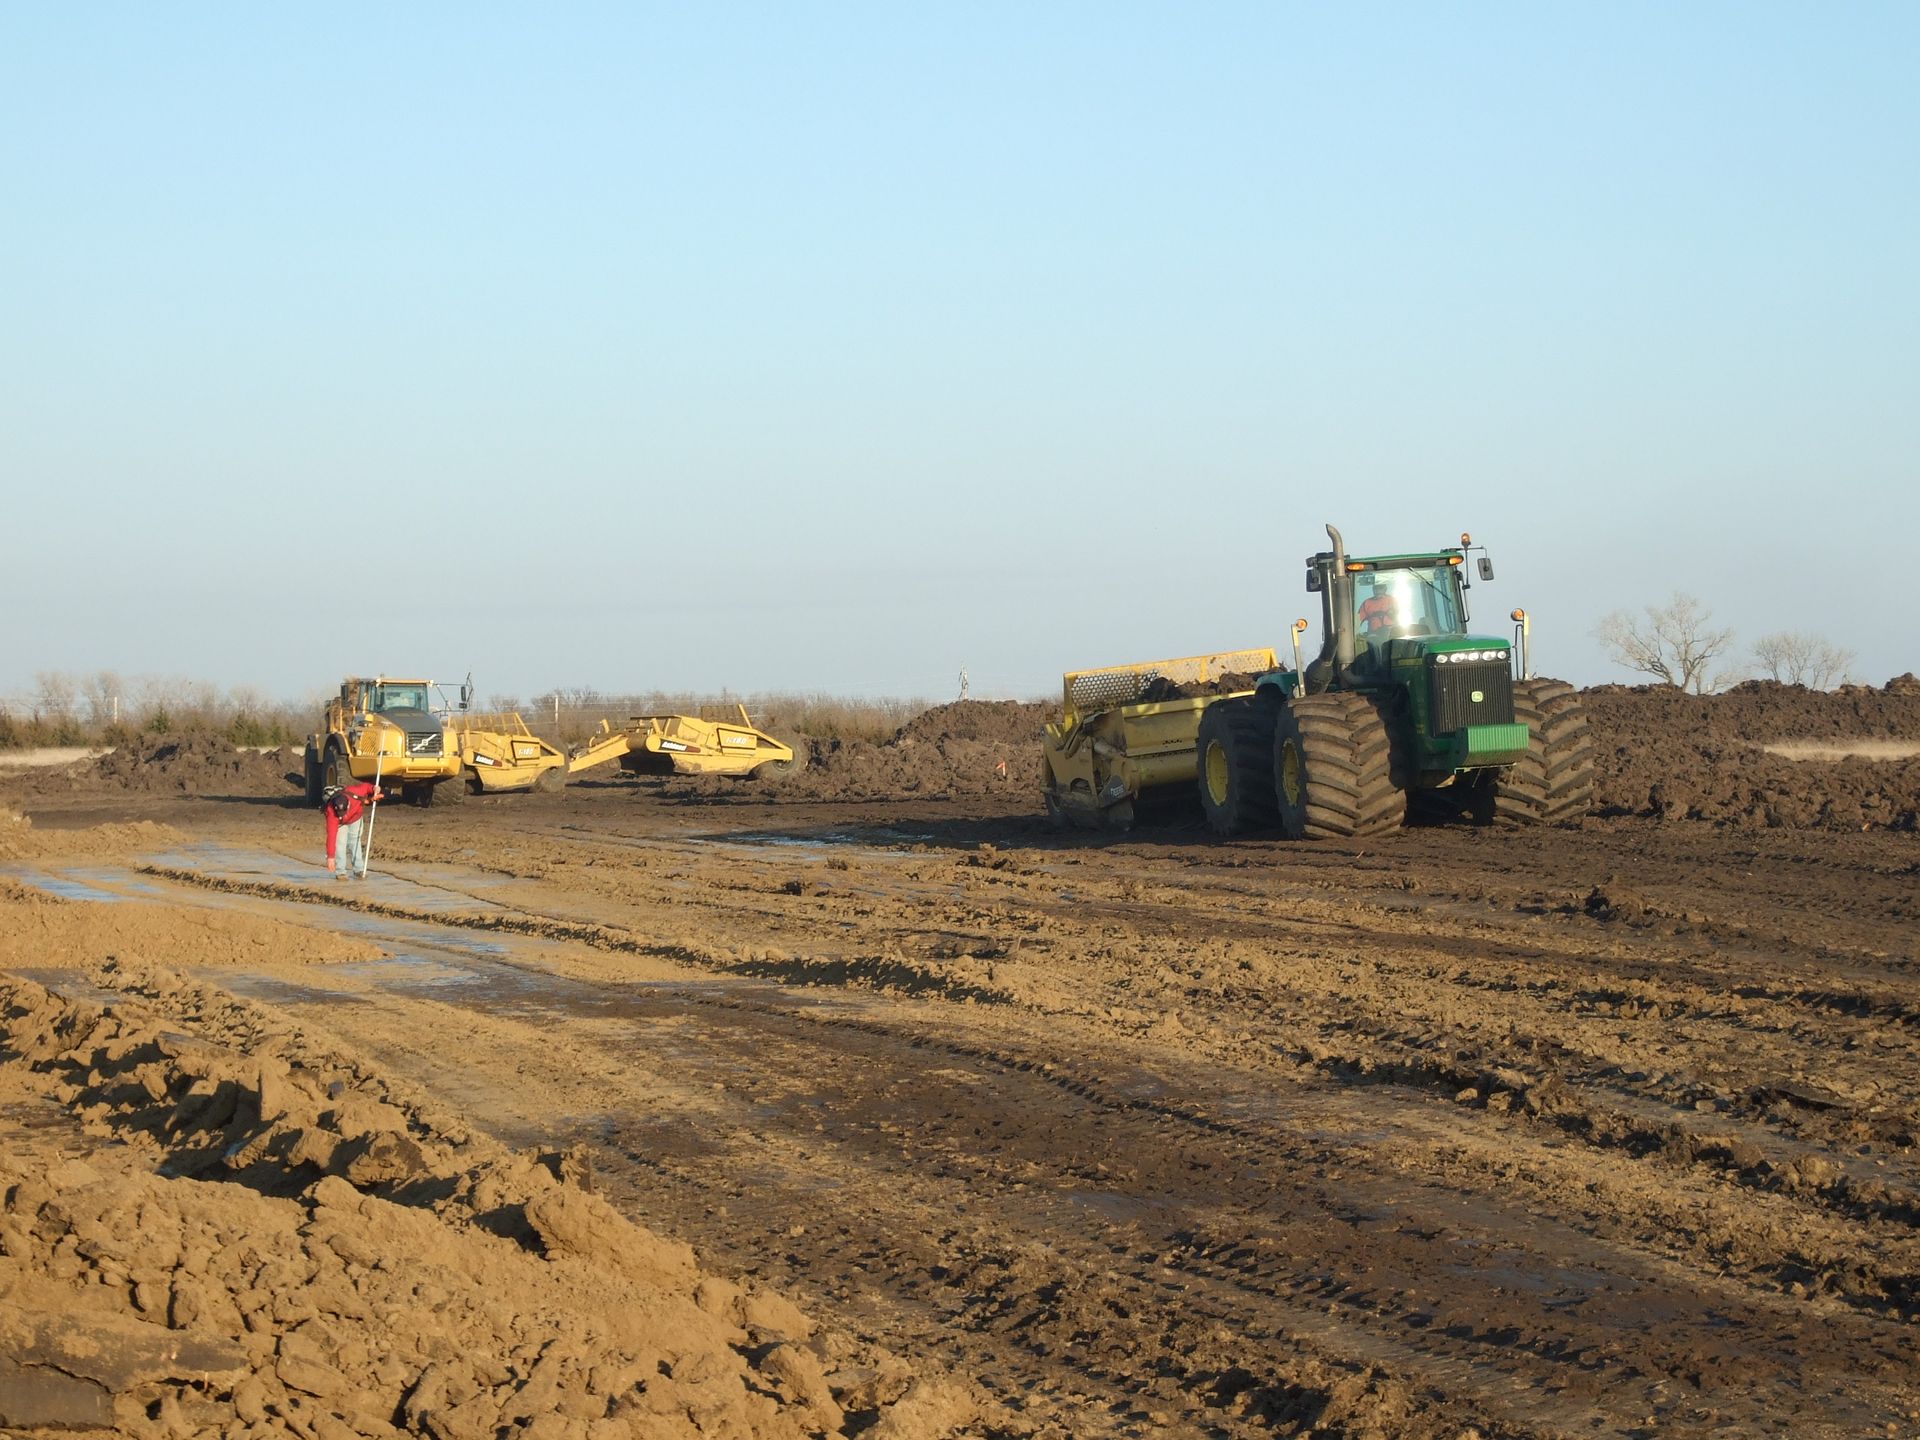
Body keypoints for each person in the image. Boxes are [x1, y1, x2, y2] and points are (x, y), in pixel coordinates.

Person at [322, 780, 384, 880]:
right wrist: (330, 857)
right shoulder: (332, 812)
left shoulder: (355, 791)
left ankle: (359, 869)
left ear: (348, 804)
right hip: (340, 825)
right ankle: (341, 872)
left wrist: (374, 788)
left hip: (356, 818)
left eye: (344, 812)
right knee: (340, 844)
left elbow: (367, 787)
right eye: (340, 813)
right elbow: (331, 836)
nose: (343, 815)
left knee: (355, 842)